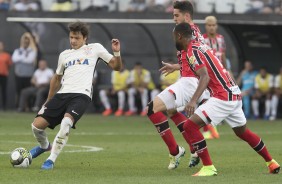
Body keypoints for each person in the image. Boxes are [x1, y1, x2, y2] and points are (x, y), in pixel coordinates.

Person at [170, 22, 280, 176]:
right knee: (242, 132)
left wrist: (193, 100)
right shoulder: (200, 46)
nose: (173, 39)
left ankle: (208, 167)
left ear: (179, 36)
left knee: (189, 126)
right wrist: (177, 67)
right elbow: (203, 68)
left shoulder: (191, 51)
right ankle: (271, 162)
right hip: (234, 93)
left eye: (174, 36)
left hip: (223, 97)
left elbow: (204, 76)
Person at [29, 21, 123, 170]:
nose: (73, 40)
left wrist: (116, 52)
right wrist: (48, 101)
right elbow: (57, 78)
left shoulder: (95, 48)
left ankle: (51, 160)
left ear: (85, 38)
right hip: (62, 95)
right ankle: (44, 146)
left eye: (77, 38)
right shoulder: (64, 55)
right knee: (36, 127)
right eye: (71, 37)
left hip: (81, 95)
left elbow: (117, 67)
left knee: (66, 123)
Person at [146, 0, 210, 170]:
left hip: (189, 82)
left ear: (186, 16)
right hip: (187, 79)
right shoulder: (193, 31)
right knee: (172, 111)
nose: (174, 18)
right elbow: (194, 58)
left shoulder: (192, 33)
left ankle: (175, 151)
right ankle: (193, 149)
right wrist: (176, 66)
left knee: (152, 109)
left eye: (176, 15)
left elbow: (201, 61)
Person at [12, 32, 37, 106]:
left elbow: (30, 60)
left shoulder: (32, 51)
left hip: (28, 75)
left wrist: (20, 59)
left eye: (27, 41)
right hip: (19, 74)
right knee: (18, 91)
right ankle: (19, 107)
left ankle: (28, 107)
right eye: (24, 41)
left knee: (28, 92)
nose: (25, 43)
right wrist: (23, 57)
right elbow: (14, 59)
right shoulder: (17, 50)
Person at [0, 41, 12, 110]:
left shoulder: (6, 55)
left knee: (4, 91)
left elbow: (9, 65)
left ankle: (4, 107)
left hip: (4, 75)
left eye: (1, 45)